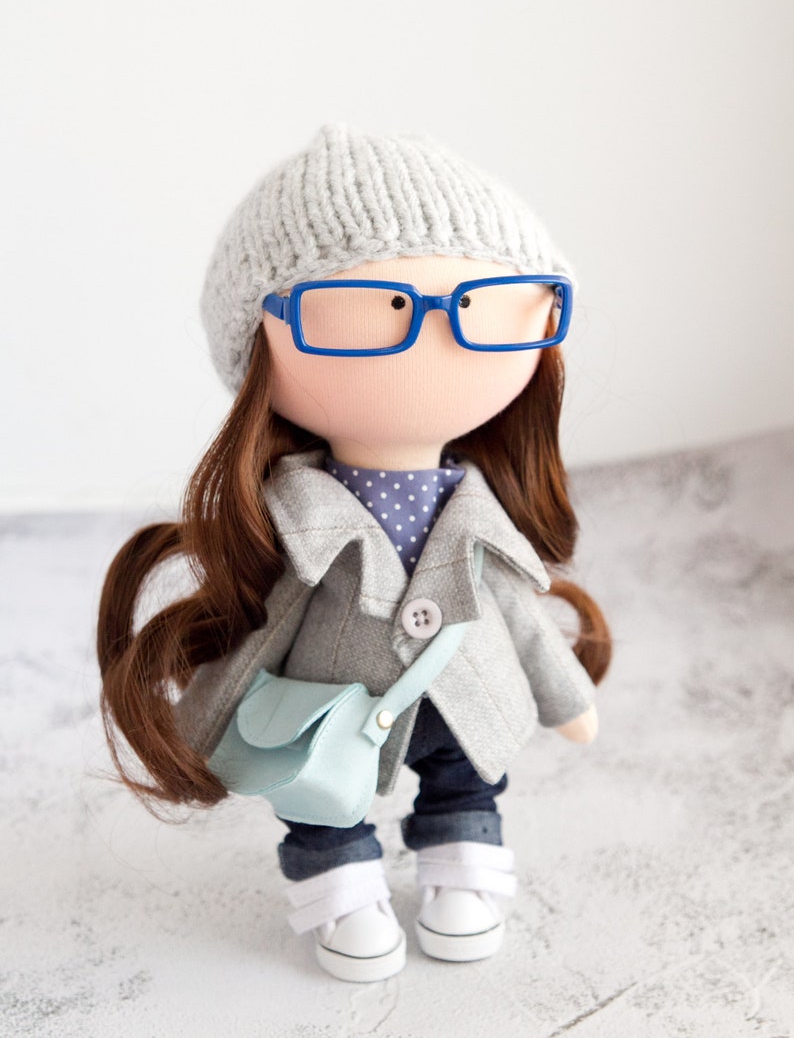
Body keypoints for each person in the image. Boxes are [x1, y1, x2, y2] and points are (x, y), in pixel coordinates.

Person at [98, 123, 612, 983]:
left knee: (468, 775)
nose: (438, 339)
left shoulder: (481, 513)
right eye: (369, 312)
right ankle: (339, 886)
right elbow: (269, 627)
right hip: (330, 707)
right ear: (259, 346)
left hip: (466, 693)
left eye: (485, 307)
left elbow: (517, 618)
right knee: (320, 799)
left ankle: (464, 864)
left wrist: (566, 696)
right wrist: (207, 718)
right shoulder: (296, 522)